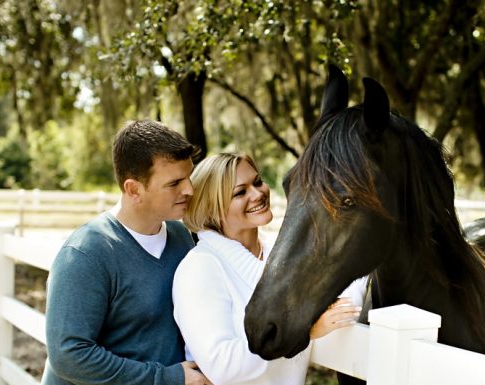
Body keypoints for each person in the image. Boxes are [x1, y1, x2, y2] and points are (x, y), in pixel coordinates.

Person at [173, 152, 367, 385]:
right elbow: (222, 366)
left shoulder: (283, 254)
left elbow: (347, 297)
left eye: (257, 182)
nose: (258, 194)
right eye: (240, 192)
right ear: (213, 208)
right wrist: (305, 332)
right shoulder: (199, 269)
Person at [42, 120, 211, 385]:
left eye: (189, 176)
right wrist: (167, 378)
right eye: (174, 183)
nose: (189, 189)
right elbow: (68, 355)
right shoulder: (86, 253)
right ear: (133, 190)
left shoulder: (182, 238)